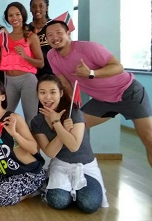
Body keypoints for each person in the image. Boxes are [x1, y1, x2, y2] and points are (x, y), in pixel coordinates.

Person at [45, 20, 152, 166]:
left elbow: (118, 67)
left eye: (59, 33)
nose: (55, 37)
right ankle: (70, 168)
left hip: (128, 92)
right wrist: (69, 109)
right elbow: (65, 84)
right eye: (50, 35)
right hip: (102, 101)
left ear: (68, 34)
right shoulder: (52, 56)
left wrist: (91, 73)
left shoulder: (88, 48)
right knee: (72, 128)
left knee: (149, 138)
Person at [31, 74, 108, 213]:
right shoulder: (37, 121)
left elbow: (73, 146)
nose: (47, 97)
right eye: (42, 92)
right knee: (58, 201)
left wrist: (57, 124)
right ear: (38, 94)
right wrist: (62, 128)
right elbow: (50, 152)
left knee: (89, 204)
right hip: (60, 166)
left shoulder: (75, 113)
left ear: (61, 93)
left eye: (52, 92)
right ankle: (69, 191)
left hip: (85, 167)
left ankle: (75, 192)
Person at [0, 79, 46, 206]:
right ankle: (8, 187)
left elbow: (34, 148)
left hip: (28, 172)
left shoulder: (13, 118)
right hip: (6, 171)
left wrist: (14, 134)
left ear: (2, 97)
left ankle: (36, 190)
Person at [0, 2, 44, 126]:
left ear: (23, 15)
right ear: (7, 18)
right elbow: (4, 61)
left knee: (31, 119)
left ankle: (34, 146)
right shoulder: (5, 38)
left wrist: (25, 56)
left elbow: (41, 63)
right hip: (9, 80)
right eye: (10, 15)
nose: (14, 18)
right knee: (4, 117)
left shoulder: (31, 36)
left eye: (17, 14)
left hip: (27, 80)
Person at [28, 0, 53, 78]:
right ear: (30, 9)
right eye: (34, 6)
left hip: (54, 71)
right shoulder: (26, 29)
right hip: (33, 74)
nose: (37, 9)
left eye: (41, 6)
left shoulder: (54, 25)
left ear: (47, 8)